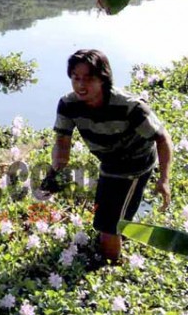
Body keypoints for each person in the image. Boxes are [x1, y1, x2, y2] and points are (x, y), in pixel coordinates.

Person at [41, 49, 172, 263]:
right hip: (109, 164)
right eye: (76, 78)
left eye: (89, 79)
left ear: (103, 79)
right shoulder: (68, 104)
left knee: (109, 226)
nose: (81, 85)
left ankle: (110, 264)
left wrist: (164, 179)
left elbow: (163, 139)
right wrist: (55, 171)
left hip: (136, 165)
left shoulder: (130, 107)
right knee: (105, 215)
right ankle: (120, 233)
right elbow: (62, 143)